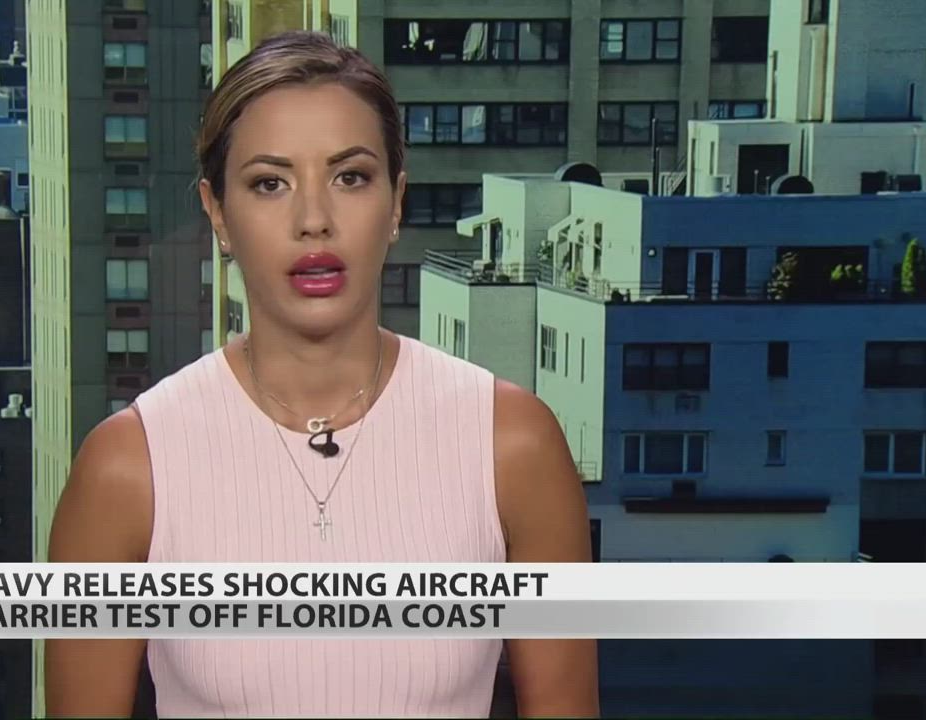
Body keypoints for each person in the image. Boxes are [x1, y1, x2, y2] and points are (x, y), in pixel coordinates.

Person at [47, 29, 598, 718]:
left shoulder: (512, 446)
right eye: (270, 183)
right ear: (218, 212)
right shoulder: (130, 467)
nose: (314, 220)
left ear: (396, 202)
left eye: (350, 177)